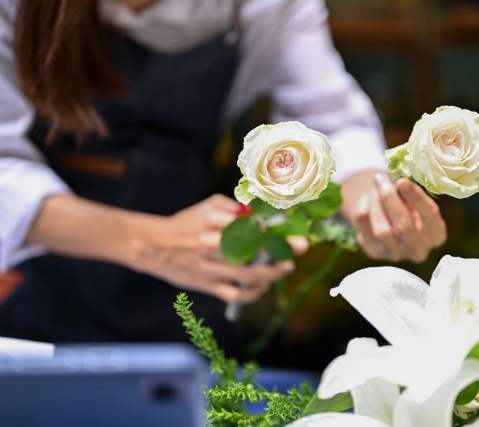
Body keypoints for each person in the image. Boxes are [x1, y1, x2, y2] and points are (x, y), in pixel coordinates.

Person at [0, 0, 447, 347]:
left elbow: (333, 122)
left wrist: (377, 208)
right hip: (36, 293)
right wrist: (149, 242)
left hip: (192, 309)